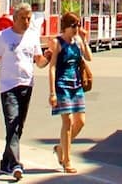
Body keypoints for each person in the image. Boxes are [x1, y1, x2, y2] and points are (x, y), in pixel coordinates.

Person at [0, 4, 52, 180]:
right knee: (13, 123)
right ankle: (16, 164)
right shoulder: (3, 36)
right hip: (8, 87)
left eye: (29, 18)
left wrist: (48, 57)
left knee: (18, 127)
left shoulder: (32, 36)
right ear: (15, 18)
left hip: (27, 85)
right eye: (23, 18)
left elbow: (39, 62)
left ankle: (5, 162)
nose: (27, 21)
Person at [47, 13, 93, 174]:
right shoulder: (57, 43)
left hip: (76, 85)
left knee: (80, 121)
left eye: (78, 25)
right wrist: (52, 92)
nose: (76, 29)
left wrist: (84, 39)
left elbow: (89, 57)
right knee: (67, 122)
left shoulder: (78, 41)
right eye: (73, 26)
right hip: (62, 86)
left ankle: (61, 147)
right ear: (65, 27)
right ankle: (67, 160)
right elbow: (52, 67)